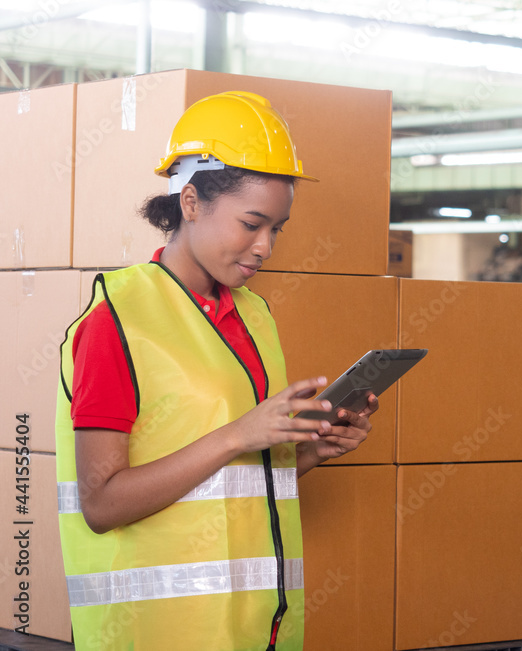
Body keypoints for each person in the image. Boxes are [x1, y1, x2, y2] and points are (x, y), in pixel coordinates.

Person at [55, 91, 375, 650]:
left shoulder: (253, 316)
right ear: (191, 202)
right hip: (158, 635)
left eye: (277, 228)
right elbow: (101, 505)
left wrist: (309, 453)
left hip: (258, 630)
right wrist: (237, 435)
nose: (265, 246)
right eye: (251, 223)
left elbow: (236, 488)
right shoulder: (119, 320)